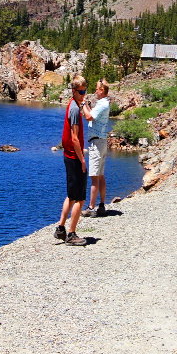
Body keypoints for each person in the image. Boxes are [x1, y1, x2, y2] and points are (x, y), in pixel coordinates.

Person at [54, 76, 90, 246]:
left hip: (68, 155)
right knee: (80, 198)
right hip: (74, 157)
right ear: (74, 91)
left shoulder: (72, 105)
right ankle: (71, 234)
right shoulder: (75, 109)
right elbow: (75, 139)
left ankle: (60, 228)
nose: (84, 94)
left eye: (85, 91)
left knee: (70, 195)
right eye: (81, 91)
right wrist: (82, 160)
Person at [82, 79, 113, 218]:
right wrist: (87, 106)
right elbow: (91, 115)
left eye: (96, 89)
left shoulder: (102, 104)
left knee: (94, 177)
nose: (95, 91)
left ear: (101, 90)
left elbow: (88, 117)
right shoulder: (102, 103)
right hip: (100, 142)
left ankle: (91, 207)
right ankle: (101, 205)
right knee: (100, 175)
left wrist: (83, 104)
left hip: (96, 143)